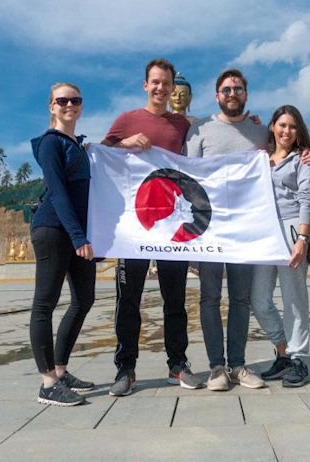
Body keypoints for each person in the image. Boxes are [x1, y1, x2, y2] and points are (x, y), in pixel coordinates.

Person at [185, 69, 310, 391]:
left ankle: (281, 359)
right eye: (227, 89)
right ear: (217, 94)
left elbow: (306, 196)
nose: (232, 93)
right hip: (221, 229)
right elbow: (189, 176)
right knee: (236, 299)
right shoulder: (202, 130)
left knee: (265, 299)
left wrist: (302, 236)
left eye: (238, 89)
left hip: (265, 232)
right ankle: (232, 364)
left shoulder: (263, 137)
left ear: (246, 94)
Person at [102, 58, 202, 396]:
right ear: (145, 85)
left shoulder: (182, 125)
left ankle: (177, 364)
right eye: (155, 82)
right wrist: (124, 144)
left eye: (166, 83)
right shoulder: (128, 120)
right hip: (135, 226)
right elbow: (101, 156)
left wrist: (254, 125)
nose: (160, 88)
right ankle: (126, 369)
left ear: (173, 88)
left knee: (174, 299)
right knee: (128, 300)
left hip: (171, 225)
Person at [29, 82, 97, 407]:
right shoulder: (49, 144)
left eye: (75, 100)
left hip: (76, 234)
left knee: (84, 300)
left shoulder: (80, 146)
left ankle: (60, 369)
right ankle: (47, 383)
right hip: (54, 229)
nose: (69, 105)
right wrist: (78, 237)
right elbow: (57, 192)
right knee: (45, 303)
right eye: (62, 100)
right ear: (51, 106)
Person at [250, 105, 310, 388]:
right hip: (264, 232)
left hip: (291, 229)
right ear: (272, 127)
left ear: (298, 130)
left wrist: (302, 239)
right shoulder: (261, 159)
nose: (286, 131)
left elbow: (307, 197)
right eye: (282, 125)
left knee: (294, 299)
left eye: (292, 126)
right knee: (259, 299)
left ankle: (298, 358)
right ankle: (282, 350)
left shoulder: (303, 160)